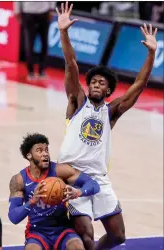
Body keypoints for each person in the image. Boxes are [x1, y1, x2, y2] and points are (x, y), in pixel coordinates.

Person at [56, 2, 158, 250]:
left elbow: (139, 85)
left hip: (99, 179)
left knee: (118, 236)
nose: (96, 84)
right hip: (72, 176)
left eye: (102, 83)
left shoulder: (111, 111)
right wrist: (63, 32)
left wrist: (151, 53)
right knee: (86, 234)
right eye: (94, 81)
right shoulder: (77, 101)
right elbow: (71, 64)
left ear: (109, 90)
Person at [8, 133, 100, 250]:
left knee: (77, 246)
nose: (45, 153)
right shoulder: (19, 180)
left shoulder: (59, 170)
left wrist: (78, 192)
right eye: (39, 150)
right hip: (37, 231)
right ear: (29, 155)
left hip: (62, 228)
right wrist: (32, 201)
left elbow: (94, 184)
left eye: (46, 149)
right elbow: (13, 217)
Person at [14, 2, 56, 80]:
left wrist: (51, 8)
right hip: (28, 12)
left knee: (43, 42)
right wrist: (17, 10)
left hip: (43, 11)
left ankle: (40, 71)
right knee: (30, 44)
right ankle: (31, 72)